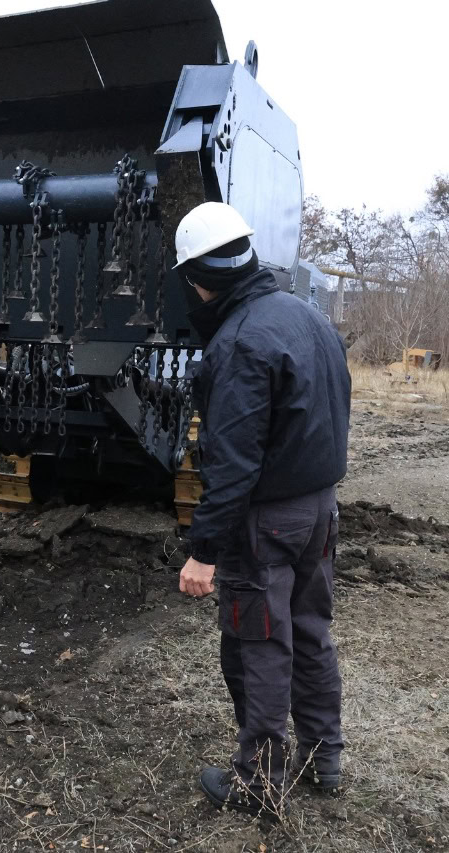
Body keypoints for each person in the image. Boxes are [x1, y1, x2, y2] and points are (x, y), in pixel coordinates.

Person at [173, 201, 351, 818]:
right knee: (310, 632)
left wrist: (203, 552)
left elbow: (233, 468)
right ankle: (323, 758)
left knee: (259, 643)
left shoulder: (239, 343)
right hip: (320, 510)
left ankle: (259, 783)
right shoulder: (308, 316)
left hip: (267, 521)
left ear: (198, 278)